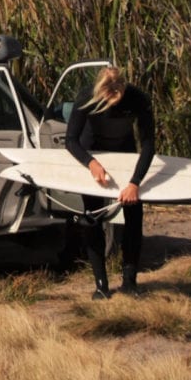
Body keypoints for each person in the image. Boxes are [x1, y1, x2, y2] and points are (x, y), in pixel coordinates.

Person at [63, 64, 156, 297]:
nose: (112, 103)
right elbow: (71, 140)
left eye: (117, 98)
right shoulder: (86, 97)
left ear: (124, 88)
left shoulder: (138, 99)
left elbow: (148, 145)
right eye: (107, 99)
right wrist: (91, 163)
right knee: (92, 218)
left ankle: (129, 283)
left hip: (123, 154)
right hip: (92, 152)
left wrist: (135, 183)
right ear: (100, 91)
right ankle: (101, 286)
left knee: (134, 216)